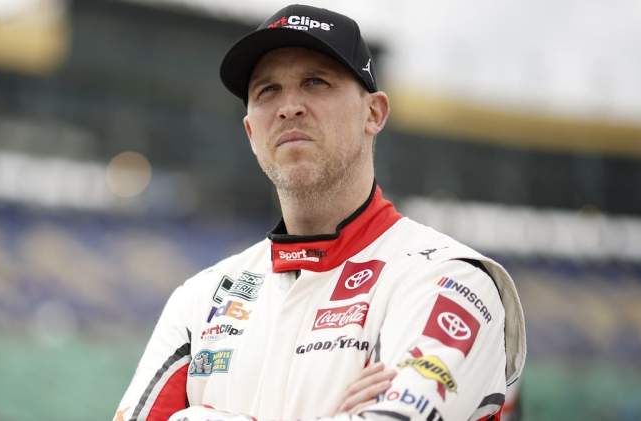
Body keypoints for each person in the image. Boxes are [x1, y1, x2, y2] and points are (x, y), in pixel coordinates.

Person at [113, 4, 526, 421]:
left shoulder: (450, 278)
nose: (289, 107)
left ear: (374, 113)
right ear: (251, 133)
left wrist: (196, 417)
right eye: (267, 91)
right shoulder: (200, 299)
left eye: (315, 82)